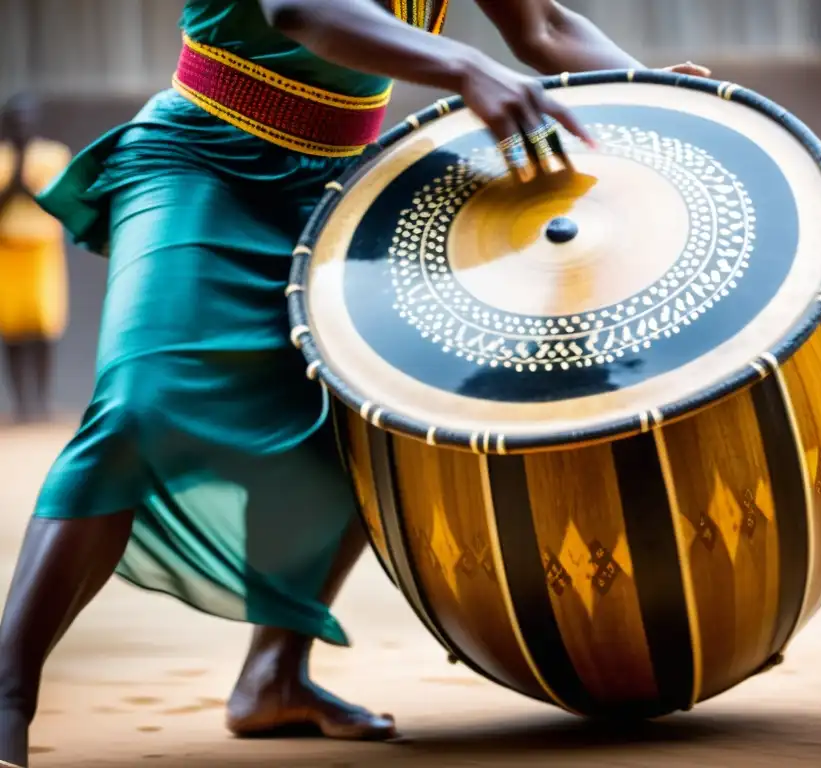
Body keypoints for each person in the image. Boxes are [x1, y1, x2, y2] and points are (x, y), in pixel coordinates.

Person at [0, 1, 710, 765]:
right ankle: (8, 692)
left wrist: (644, 90)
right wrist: (467, 66)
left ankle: (273, 677)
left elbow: (543, 27)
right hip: (202, 158)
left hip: (344, 183)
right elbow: (297, 8)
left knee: (372, 420)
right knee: (137, 410)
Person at [0, 94, 71, 424]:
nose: (20, 125)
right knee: (12, 329)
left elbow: (54, 201)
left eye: (25, 118)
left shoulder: (52, 156)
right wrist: (15, 167)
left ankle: (42, 401)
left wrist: (24, 173)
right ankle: (21, 404)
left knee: (43, 327)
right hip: (7, 250)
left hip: (41, 249)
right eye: (14, 119)